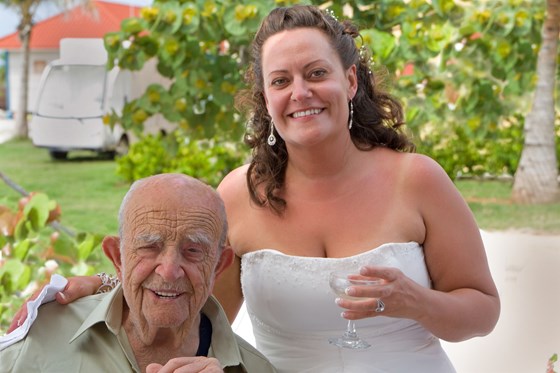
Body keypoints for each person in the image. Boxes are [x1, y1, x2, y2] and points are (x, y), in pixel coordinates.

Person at [8, 5, 500, 372]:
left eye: (317, 73)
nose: (300, 93)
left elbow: (482, 311)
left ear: (350, 81)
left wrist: (417, 302)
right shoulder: (238, 195)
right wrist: (101, 284)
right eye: (281, 81)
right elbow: (188, 287)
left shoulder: (417, 180)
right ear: (266, 97)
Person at [1, 173, 276, 373]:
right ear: (116, 257)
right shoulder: (43, 335)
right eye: (149, 247)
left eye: (193, 250)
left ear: (218, 265)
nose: (169, 271)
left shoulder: (253, 368)